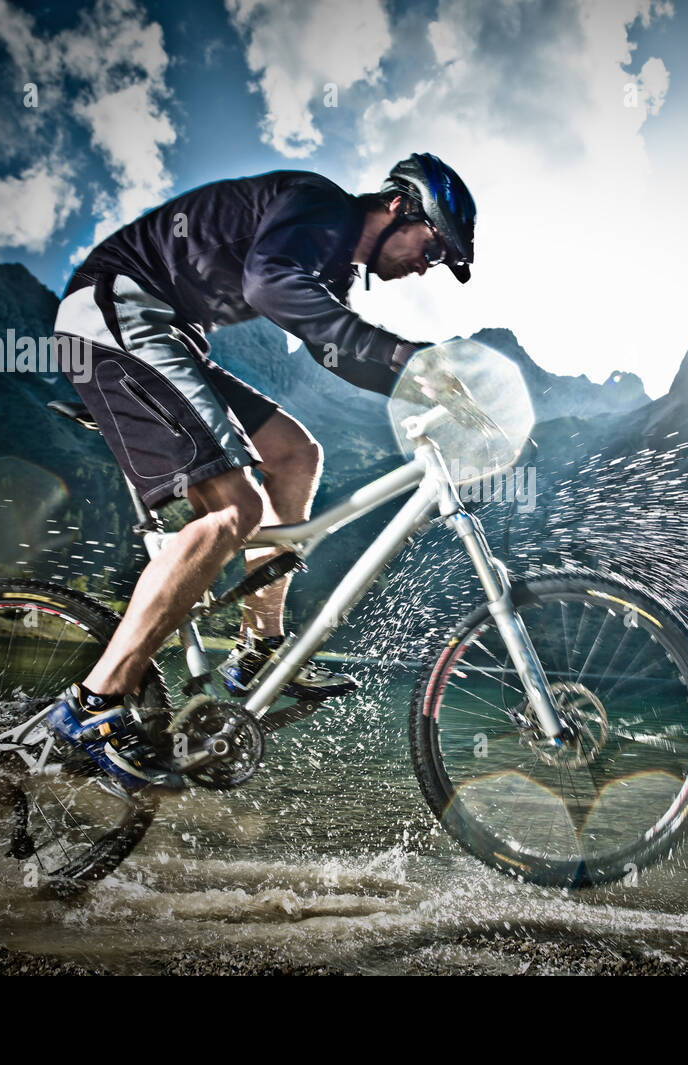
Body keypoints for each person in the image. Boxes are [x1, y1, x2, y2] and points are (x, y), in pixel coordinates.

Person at [44, 153, 477, 790]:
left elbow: (332, 348)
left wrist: (422, 384)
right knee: (234, 509)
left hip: (167, 335)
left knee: (296, 455)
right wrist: (409, 354)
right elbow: (269, 286)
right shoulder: (321, 205)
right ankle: (93, 705)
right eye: (434, 247)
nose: (425, 265)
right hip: (114, 315)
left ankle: (257, 649)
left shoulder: (331, 261)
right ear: (399, 208)